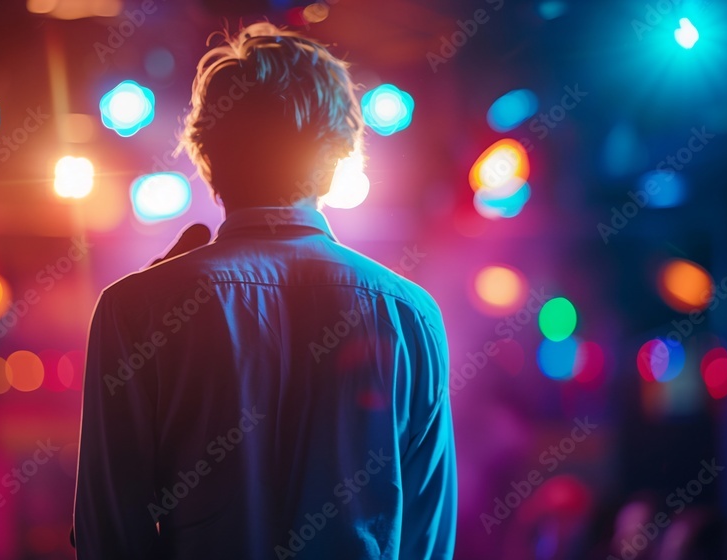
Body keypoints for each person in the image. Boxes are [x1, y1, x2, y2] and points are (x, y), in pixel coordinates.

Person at [73, 22, 456, 559]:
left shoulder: (132, 310)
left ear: (207, 154)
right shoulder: (411, 315)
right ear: (340, 150)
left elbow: (108, 535)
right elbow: (427, 539)